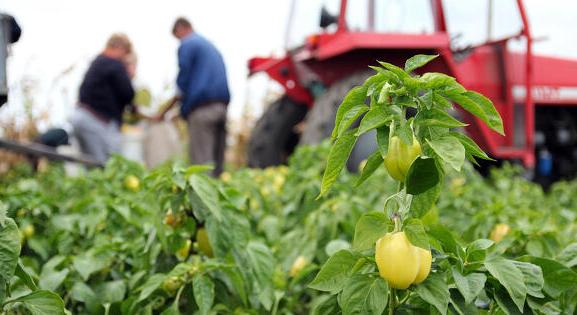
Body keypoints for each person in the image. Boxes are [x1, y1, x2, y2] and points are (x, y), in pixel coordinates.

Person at [156, 17, 230, 176]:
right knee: (216, 166)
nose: (178, 41)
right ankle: (218, 199)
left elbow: (183, 83)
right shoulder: (210, 46)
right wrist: (180, 111)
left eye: (177, 37)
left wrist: (164, 112)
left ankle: (202, 200)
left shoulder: (188, 43)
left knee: (201, 166)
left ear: (181, 29)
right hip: (221, 108)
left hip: (202, 110)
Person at [71, 33, 136, 164]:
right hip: (98, 122)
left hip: (80, 117)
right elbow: (128, 94)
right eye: (125, 53)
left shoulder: (97, 62)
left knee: (91, 166)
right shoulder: (114, 64)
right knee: (111, 165)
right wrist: (129, 73)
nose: (124, 58)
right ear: (119, 47)